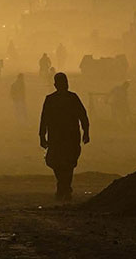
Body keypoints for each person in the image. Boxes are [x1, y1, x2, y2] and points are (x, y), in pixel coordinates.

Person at [38, 72, 90, 201]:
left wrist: (42, 136)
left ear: (55, 85)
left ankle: (63, 187)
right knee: (67, 163)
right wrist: (86, 132)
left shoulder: (51, 99)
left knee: (59, 162)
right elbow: (83, 116)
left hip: (58, 137)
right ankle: (65, 187)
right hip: (69, 137)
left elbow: (44, 119)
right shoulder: (72, 98)